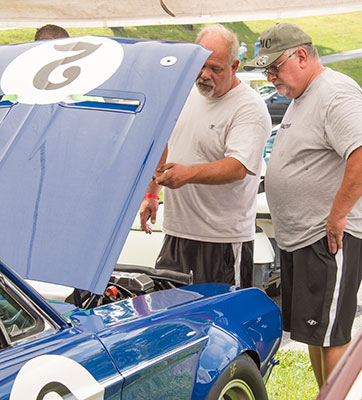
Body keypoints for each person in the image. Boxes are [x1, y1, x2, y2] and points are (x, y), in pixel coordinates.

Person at [245, 22, 362, 388]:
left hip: (329, 238)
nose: (270, 76)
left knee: (332, 335)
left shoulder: (335, 92)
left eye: (275, 67)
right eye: (266, 70)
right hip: (303, 238)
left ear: (301, 55)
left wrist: (338, 214)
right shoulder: (303, 96)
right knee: (315, 334)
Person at [140, 24, 271, 288]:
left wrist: (188, 174)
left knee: (220, 323)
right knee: (168, 319)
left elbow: (238, 167)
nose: (204, 75)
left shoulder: (249, 107)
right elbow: (165, 140)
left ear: (234, 67)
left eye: (215, 68)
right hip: (176, 232)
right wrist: (152, 193)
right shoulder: (184, 93)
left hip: (221, 241)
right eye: (200, 65)